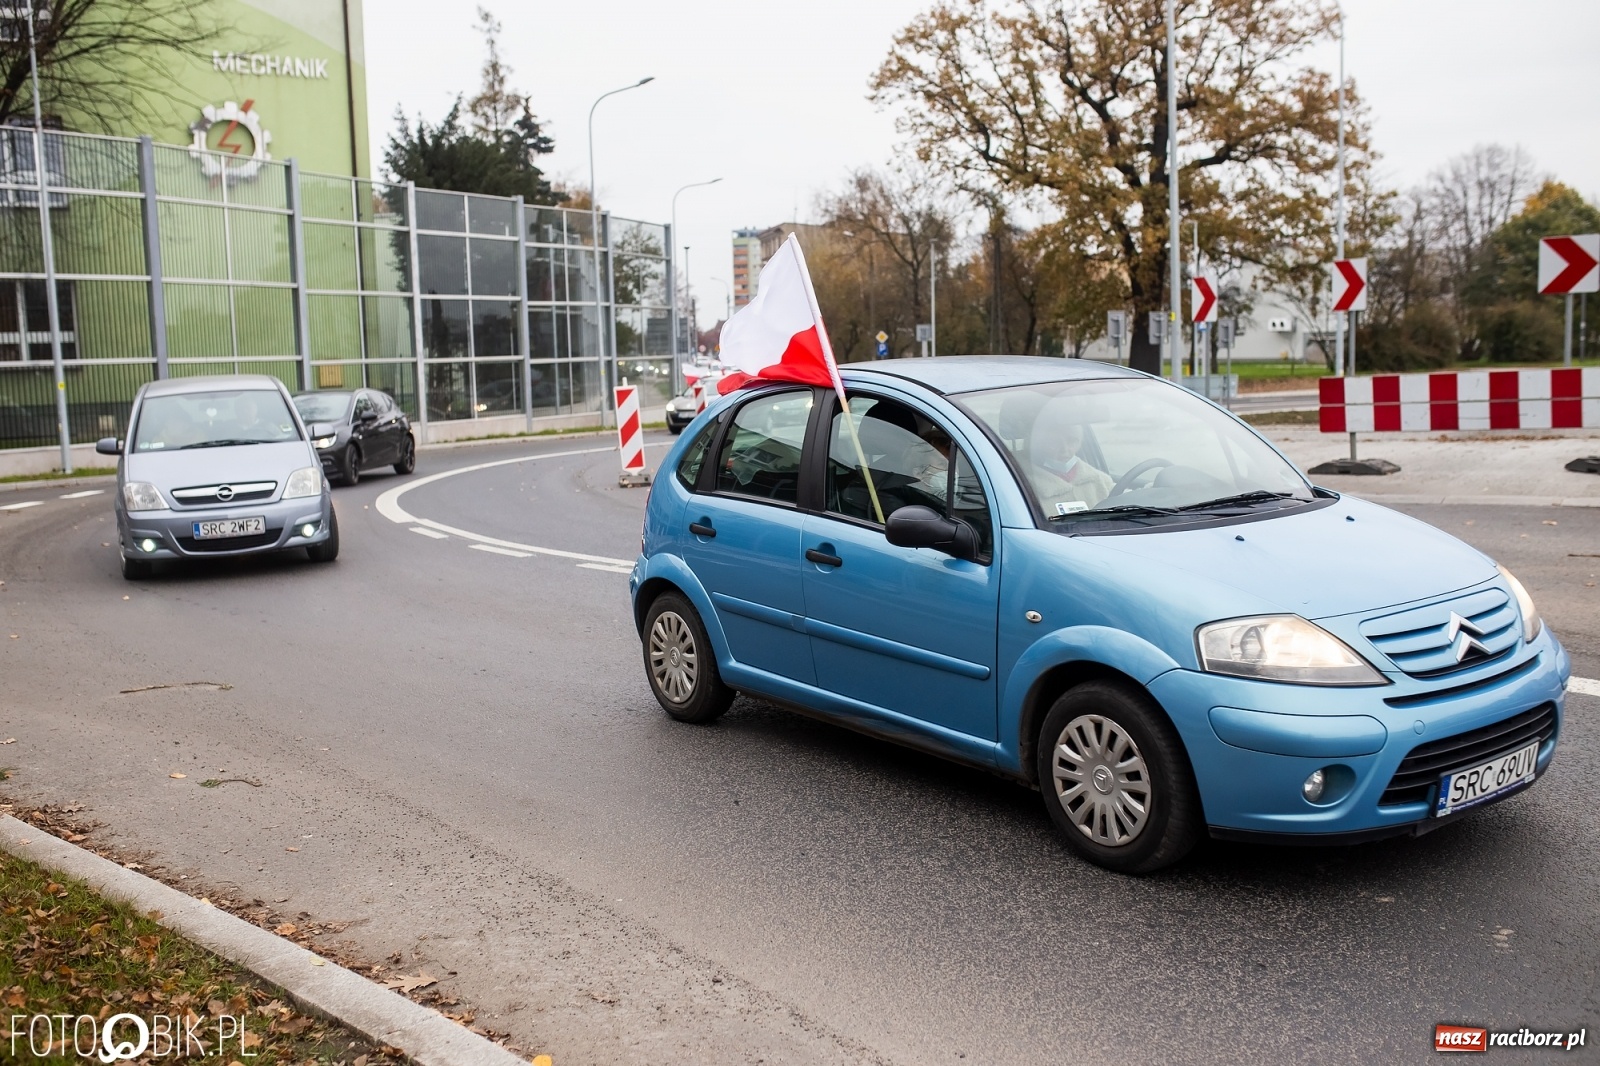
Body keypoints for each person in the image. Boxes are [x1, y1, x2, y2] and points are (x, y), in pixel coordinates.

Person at [1029, 404, 1113, 513]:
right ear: (1039, 444)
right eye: (1055, 443)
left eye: (1072, 441)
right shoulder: (1022, 485)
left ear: (1081, 442)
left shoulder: (1100, 480)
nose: (1065, 449)